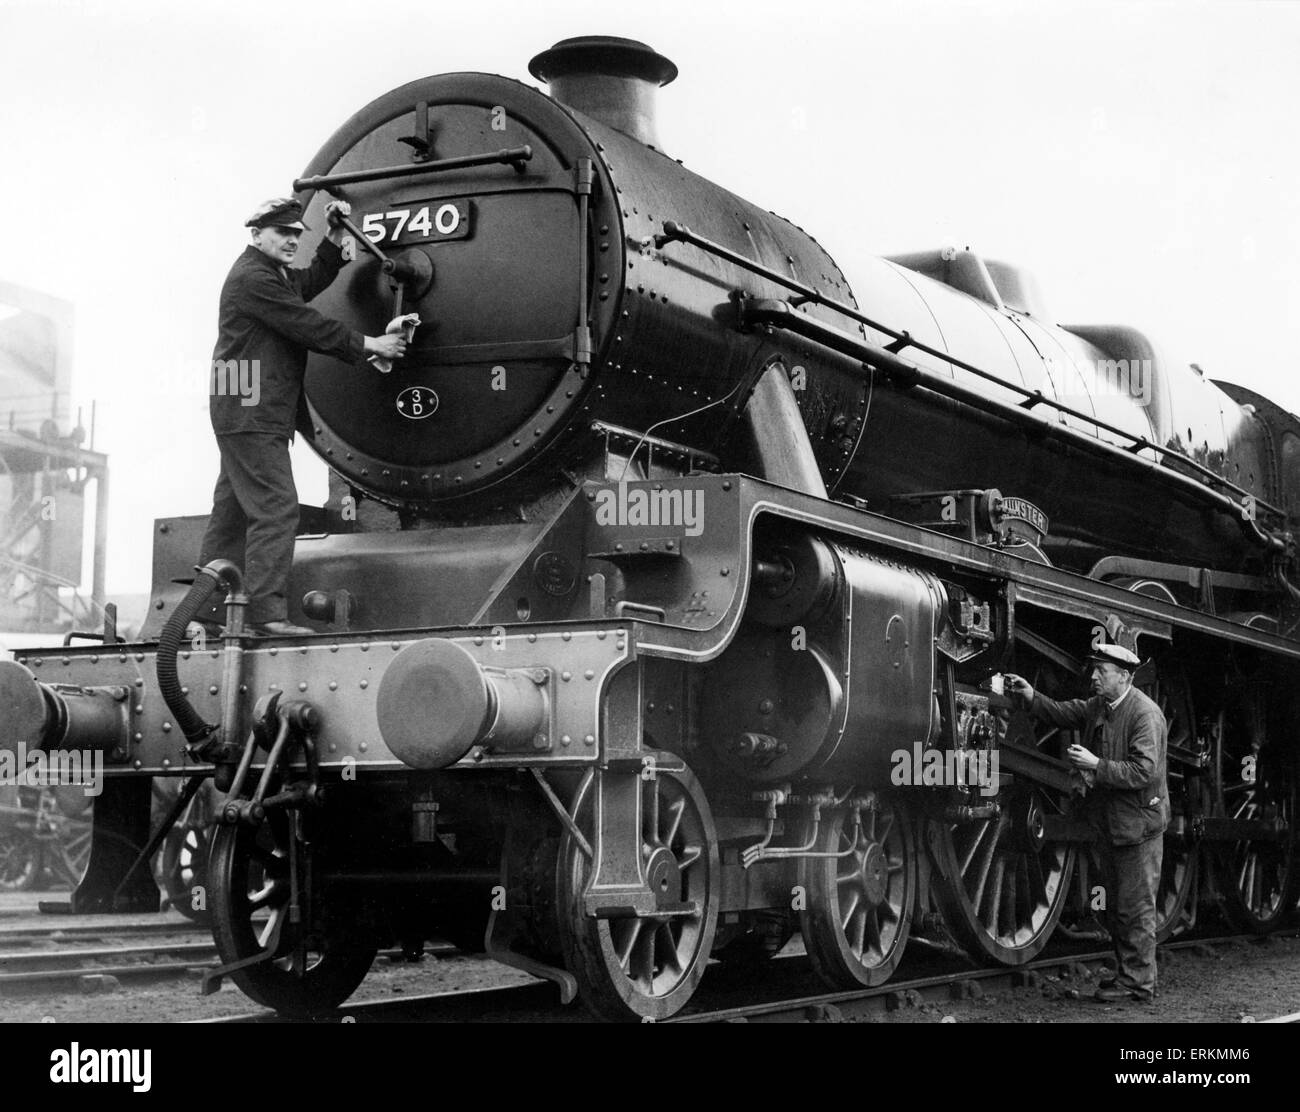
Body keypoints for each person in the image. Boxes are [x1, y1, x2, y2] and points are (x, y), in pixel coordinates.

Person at [198, 197, 408, 635]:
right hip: (252, 407)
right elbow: (306, 323)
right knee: (275, 508)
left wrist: (332, 238)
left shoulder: (267, 273)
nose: (292, 240)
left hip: (244, 404)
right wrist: (373, 345)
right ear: (256, 235)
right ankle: (264, 616)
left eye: (297, 233)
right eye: (282, 234)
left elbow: (307, 283)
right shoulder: (253, 278)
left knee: (234, 513)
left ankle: (207, 614)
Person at [1004, 643, 1169, 1004]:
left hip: (1138, 829)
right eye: (1094, 670)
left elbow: (1144, 771)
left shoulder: (1145, 714)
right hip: (1111, 826)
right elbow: (1064, 712)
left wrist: (1096, 765)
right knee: (1117, 908)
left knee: (1135, 908)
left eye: (1102, 672)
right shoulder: (1100, 706)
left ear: (1124, 677)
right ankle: (1129, 975)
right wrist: (1032, 698)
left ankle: (1140, 984)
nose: (1093, 677)